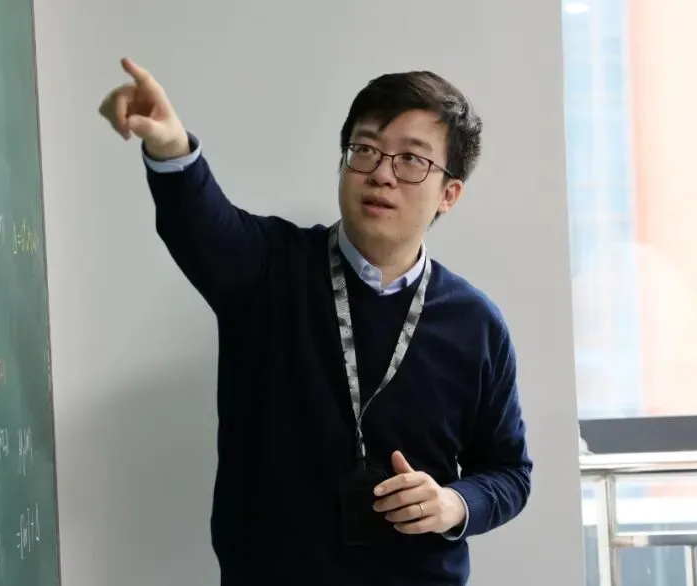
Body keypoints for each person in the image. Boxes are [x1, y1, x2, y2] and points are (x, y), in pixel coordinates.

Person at [98, 57, 532, 586]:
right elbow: (199, 224)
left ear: (449, 193)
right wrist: (170, 146)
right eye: (365, 149)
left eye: (411, 160)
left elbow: (510, 472)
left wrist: (453, 504)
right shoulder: (267, 268)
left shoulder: (476, 323)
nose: (381, 173)